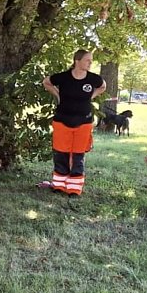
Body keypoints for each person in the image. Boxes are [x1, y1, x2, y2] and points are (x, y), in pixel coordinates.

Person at [41, 50, 106, 195]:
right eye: (87, 60)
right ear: (77, 61)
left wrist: (91, 96)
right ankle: (59, 185)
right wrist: (57, 94)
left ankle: (74, 188)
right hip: (62, 121)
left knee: (78, 155)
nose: (90, 63)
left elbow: (103, 86)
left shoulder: (93, 78)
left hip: (83, 122)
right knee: (61, 153)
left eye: (91, 60)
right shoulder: (63, 77)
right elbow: (46, 82)